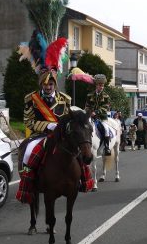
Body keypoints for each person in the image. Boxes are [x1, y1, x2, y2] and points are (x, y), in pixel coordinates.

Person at [16, 31, 94, 202]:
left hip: (60, 135)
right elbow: (28, 122)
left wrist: (62, 129)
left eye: (51, 84)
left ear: (54, 84)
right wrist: (47, 126)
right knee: (29, 154)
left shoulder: (65, 99)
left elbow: (70, 121)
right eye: (45, 84)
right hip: (40, 136)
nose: (48, 86)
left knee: (79, 153)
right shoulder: (32, 99)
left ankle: (83, 181)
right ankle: (28, 187)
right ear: (41, 84)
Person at [85, 74, 112, 156]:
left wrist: (96, 112)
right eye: (100, 85)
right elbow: (87, 106)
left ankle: (107, 147)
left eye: (103, 85)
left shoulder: (106, 96)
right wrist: (89, 112)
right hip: (90, 116)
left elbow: (105, 107)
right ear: (96, 85)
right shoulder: (89, 95)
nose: (102, 87)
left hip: (102, 117)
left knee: (106, 129)